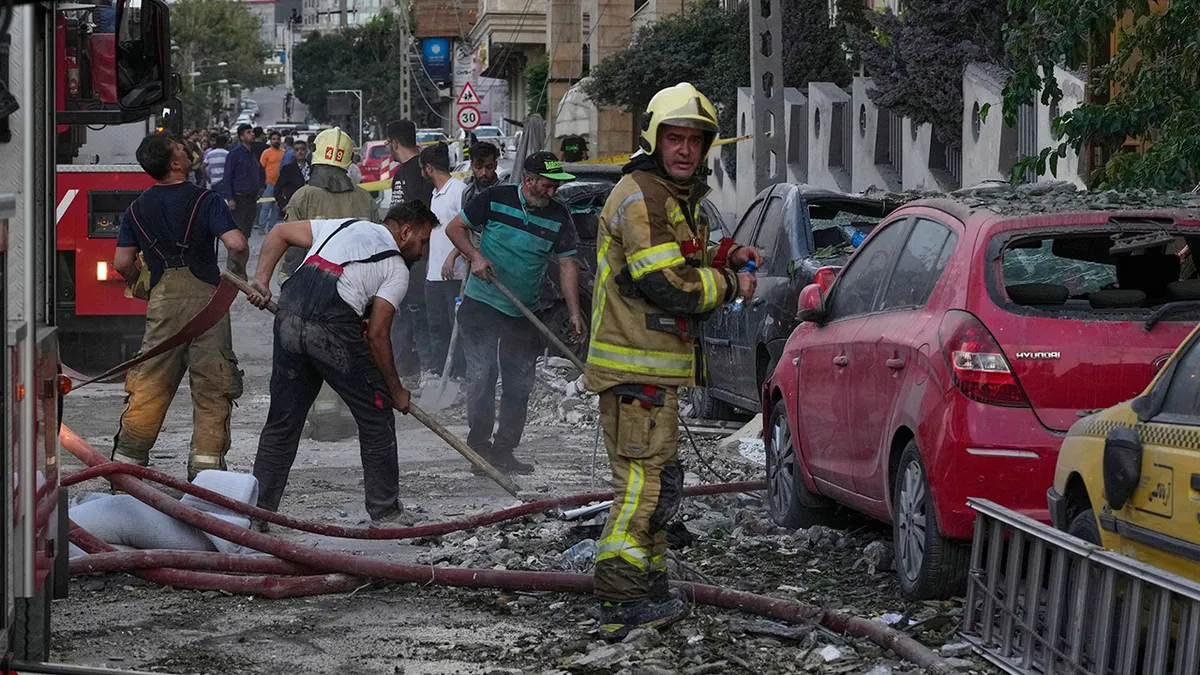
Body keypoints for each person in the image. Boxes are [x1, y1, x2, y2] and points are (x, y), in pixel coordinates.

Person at [584, 83, 762, 639]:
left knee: (659, 482)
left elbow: (681, 251)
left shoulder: (668, 196)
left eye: (694, 140)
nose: (685, 149)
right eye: (675, 138)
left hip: (653, 372)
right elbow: (668, 283)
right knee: (640, 484)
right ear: (654, 139)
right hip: (635, 370)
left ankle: (649, 584)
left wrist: (725, 251)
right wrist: (732, 281)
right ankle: (619, 598)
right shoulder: (641, 195)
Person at [245, 201, 437, 526]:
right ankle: (385, 511)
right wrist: (395, 390)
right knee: (376, 417)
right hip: (330, 333)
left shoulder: (342, 224)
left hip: (289, 320)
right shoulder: (395, 268)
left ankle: (258, 512)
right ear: (405, 231)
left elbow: (279, 232)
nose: (422, 252)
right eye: (422, 241)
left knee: (282, 422)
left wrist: (261, 280)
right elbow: (377, 335)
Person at [110, 132, 250, 480]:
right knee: (213, 388)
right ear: (175, 164)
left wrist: (144, 284)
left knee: (150, 386)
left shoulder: (136, 209)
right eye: (180, 149)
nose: (187, 150)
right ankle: (206, 477)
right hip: (209, 307)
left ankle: (125, 472)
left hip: (163, 305)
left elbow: (121, 263)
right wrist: (238, 274)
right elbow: (237, 243)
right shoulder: (208, 200)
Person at [445, 152, 585, 474]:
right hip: (482, 304)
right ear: (529, 181)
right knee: (481, 376)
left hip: (524, 312)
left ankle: (504, 450)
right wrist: (474, 257)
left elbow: (567, 265)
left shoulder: (559, 217)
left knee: (519, 383)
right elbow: (455, 229)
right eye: (547, 186)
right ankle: (479, 449)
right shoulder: (495, 199)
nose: (552, 192)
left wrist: (575, 312)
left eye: (556, 187)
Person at [278, 128, 378, 278]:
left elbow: (293, 247)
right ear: (349, 157)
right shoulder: (365, 198)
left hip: (314, 280)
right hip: (358, 280)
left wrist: (287, 278)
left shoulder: (302, 196)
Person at [386, 119, 435, 379]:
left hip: (417, 256)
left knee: (416, 311)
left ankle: (424, 368)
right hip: (400, 256)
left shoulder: (419, 173)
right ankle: (401, 366)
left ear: (394, 143)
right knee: (400, 310)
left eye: (388, 144)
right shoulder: (401, 173)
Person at [420, 142, 467, 378]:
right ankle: (440, 373)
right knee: (436, 326)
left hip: (454, 274)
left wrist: (452, 256)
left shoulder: (458, 191)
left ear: (429, 168)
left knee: (455, 327)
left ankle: (458, 374)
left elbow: (467, 228)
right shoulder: (434, 195)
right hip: (434, 275)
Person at [216, 123, 264, 238]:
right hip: (239, 199)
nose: (252, 134)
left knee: (247, 232)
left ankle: (243, 254)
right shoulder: (234, 154)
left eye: (252, 132)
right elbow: (227, 177)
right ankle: (235, 255)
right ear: (242, 137)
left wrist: (261, 187)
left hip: (252, 199)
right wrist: (230, 198)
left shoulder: (253, 153)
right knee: (239, 232)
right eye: (249, 132)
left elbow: (261, 171)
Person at [258, 131, 285, 233]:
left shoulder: (283, 153)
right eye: (274, 139)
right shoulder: (266, 153)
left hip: (279, 184)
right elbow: (261, 168)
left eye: (278, 139)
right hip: (268, 183)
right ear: (270, 140)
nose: (276, 141)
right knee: (266, 206)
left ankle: (271, 228)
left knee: (276, 208)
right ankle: (261, 228)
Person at [274, 138, 310, 216]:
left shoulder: (313, 168)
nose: (300, 152)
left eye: (302, 149)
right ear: (293, 152)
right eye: (297, 150)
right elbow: (277, 189)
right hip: (293, 206)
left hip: (311, 207)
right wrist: (283, 205)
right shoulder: (287, 169)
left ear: (307, 151)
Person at [462, 141, 500, 206]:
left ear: (495, 165)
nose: (484, 173)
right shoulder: (468, 193)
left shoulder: (505, 190)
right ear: (472, 165)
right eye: (478, 167)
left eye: (489, 167)